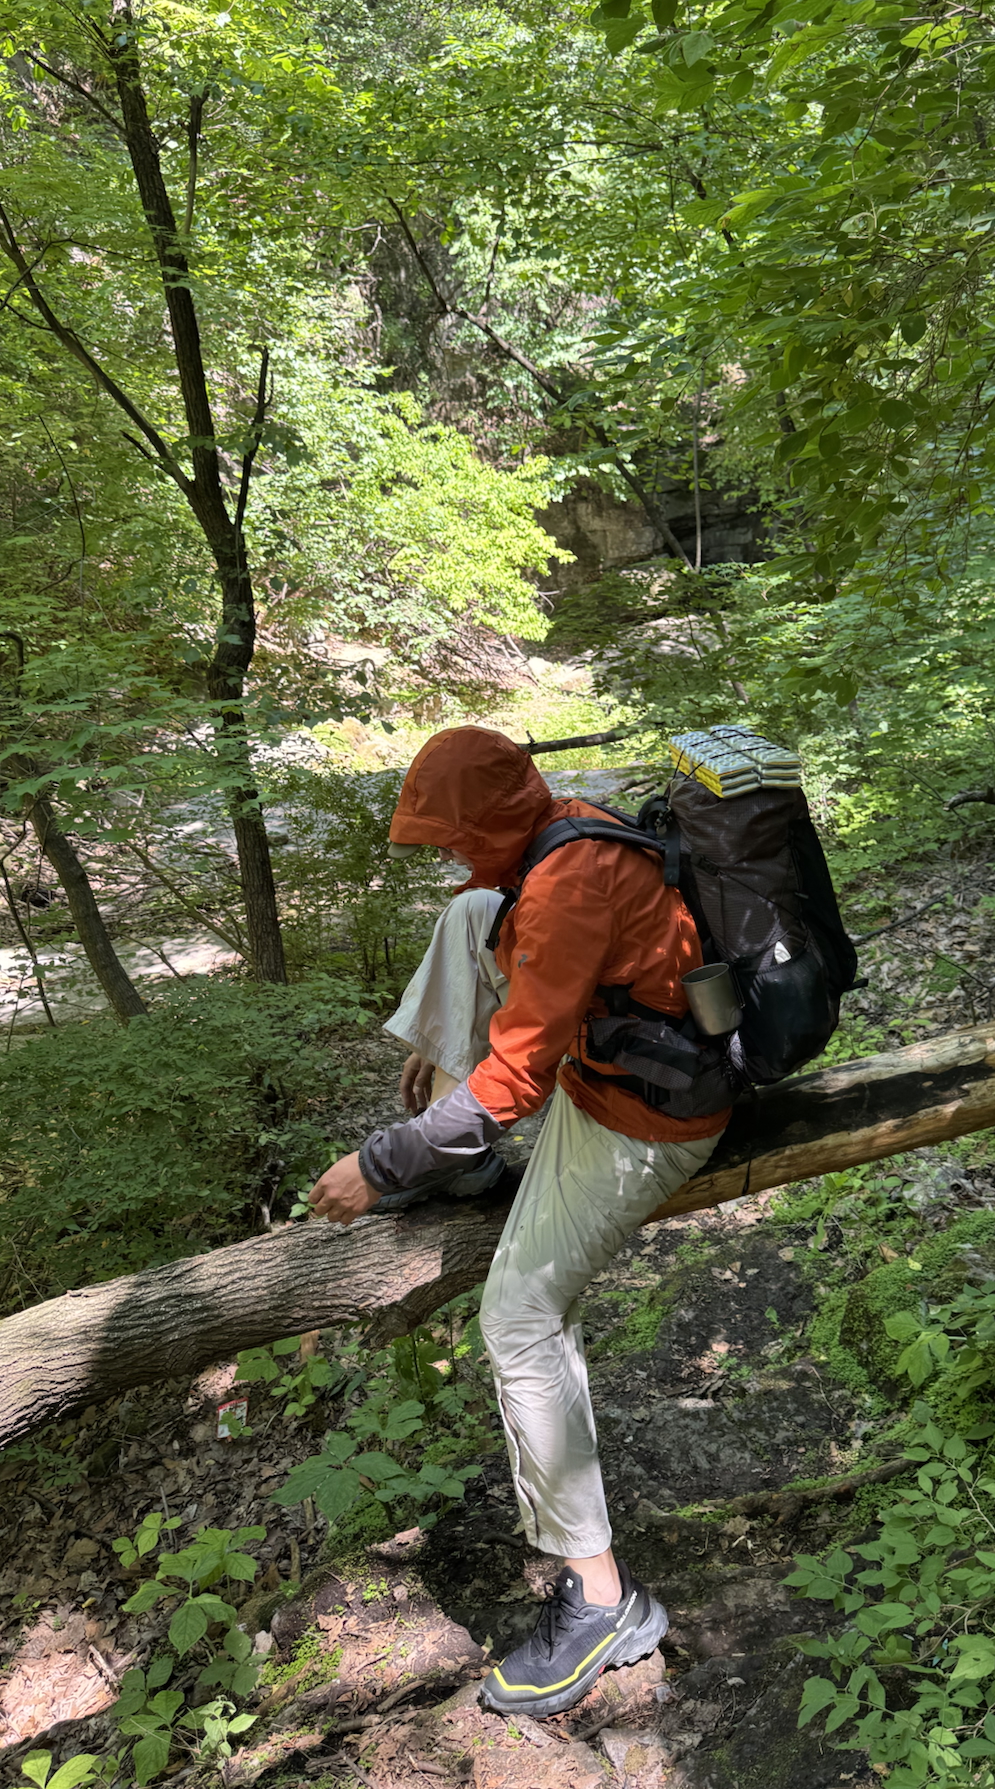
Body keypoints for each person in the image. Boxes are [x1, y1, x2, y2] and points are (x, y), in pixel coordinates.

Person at [307, 725, 731, 1718]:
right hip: (616, 1073)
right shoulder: (563, 830)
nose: (451, 854)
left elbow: (515, 1080)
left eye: (457, 835)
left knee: (519, 1317)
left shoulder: (564, 887)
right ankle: (456, 1159)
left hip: (644, 1119)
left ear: (500, 817)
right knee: (470, 916)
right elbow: (503, 961)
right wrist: (444, 1058)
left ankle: (604, 1600)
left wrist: (381, 1163)